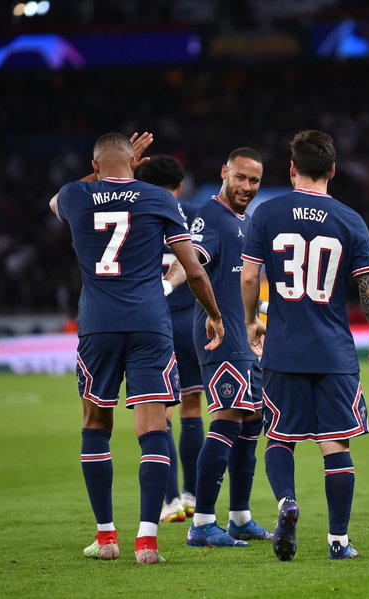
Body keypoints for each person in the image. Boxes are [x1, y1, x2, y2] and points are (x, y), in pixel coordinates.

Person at [49, 131, 224, 565]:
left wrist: (105, 168)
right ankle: (147, 541)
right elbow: (194, 270)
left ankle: (106, 538)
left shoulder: (75, 195)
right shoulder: (158, 199)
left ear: (94, 163)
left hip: (98, 326)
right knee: (153, 430)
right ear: (135, 162)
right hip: (149, 324)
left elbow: (57, 201)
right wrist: (215, 316)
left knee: (95, 424)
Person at [240, 130, 369, 561]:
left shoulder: (266, 214)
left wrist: (251, 322)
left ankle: (287, 502)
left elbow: (250, 276)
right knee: (336, 443)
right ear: (333, 170)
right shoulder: (350, 219)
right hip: (333, 351)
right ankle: (338, 541)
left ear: (291, 169)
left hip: (283, 349)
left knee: (279, 438)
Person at [163, 148, 272, 547]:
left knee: (249, 423)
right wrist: (166, 285)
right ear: (224, 172)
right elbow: (189, 261)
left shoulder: (243, 222)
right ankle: (203, 523)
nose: (246, 186)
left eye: (254, 181)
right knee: (227, 421)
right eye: (240, 177)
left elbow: (234, 282)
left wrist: (257, 314)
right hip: (219, 338)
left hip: (244, 336)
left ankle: (240, 517)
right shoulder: (209, 217)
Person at [137, 155, 205, 523]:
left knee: (159, 412)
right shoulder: (195, 213)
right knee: (192, 407)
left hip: (152, 321)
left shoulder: (135, 211)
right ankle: (193, 494)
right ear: (179, 187)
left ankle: (170, 501)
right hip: (190, 318)